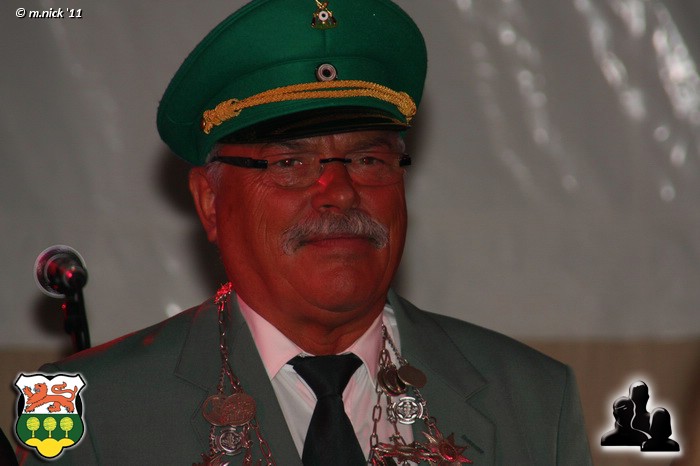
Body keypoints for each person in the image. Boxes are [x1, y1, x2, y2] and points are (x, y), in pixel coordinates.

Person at [18, 0, 592, 464]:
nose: (340, 191)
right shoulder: (92, 409)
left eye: (368, 159)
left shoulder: (534, 401)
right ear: (211, 202)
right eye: (289, 163)